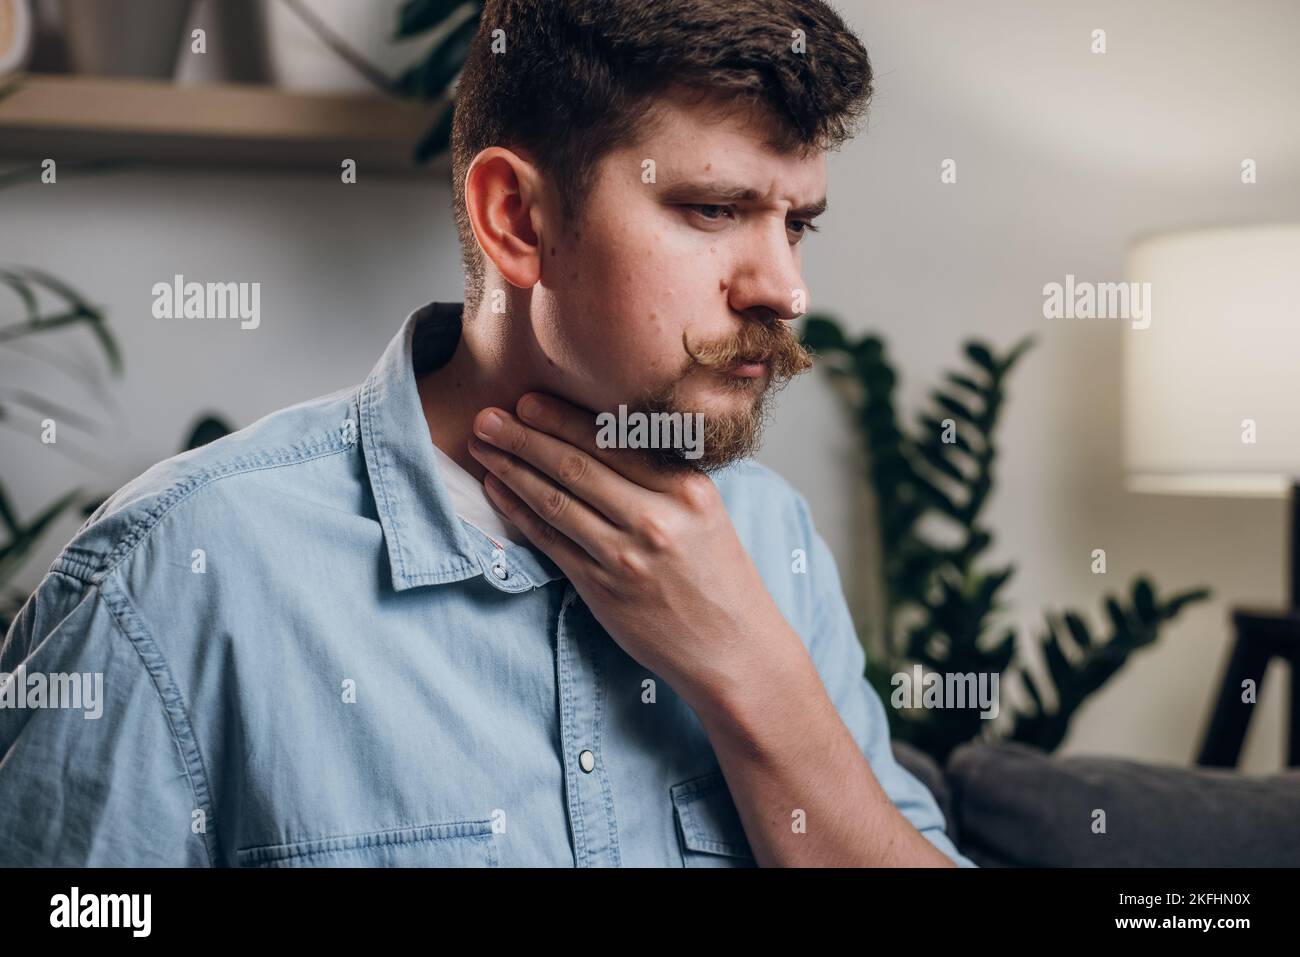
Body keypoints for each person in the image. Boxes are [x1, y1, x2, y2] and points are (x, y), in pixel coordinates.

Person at [0, 0, 974, 867]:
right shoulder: (180, 576)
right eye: (714, 209)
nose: (783, 289)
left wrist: (752, 672)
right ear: (515, 219)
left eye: (796, 223)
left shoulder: (774, 541)